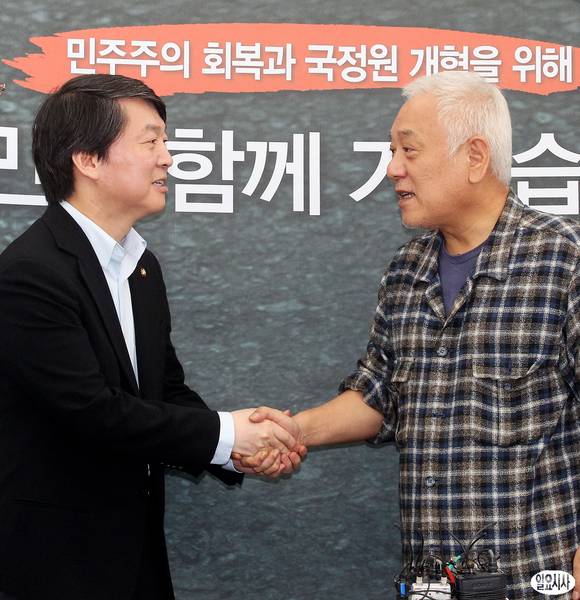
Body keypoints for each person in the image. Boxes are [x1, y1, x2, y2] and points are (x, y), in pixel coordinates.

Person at [240, 71, 580, 600]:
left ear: (474, 157)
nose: (393, 168)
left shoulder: (562, 259)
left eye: (409, 150)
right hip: (429, 583)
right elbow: (379, 396)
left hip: (537, 579)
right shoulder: (406, 270)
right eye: (391, 151)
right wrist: (292, 431)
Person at [0, 74, 302, 600]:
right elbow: (92, 411)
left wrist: (233, 450)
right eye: (151, 141)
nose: (168, 158)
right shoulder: (31, 273)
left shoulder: (141, 266)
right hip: (54, 565)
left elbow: (163, 391)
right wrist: (227, 434)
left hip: (135, 557)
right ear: (88, 160)